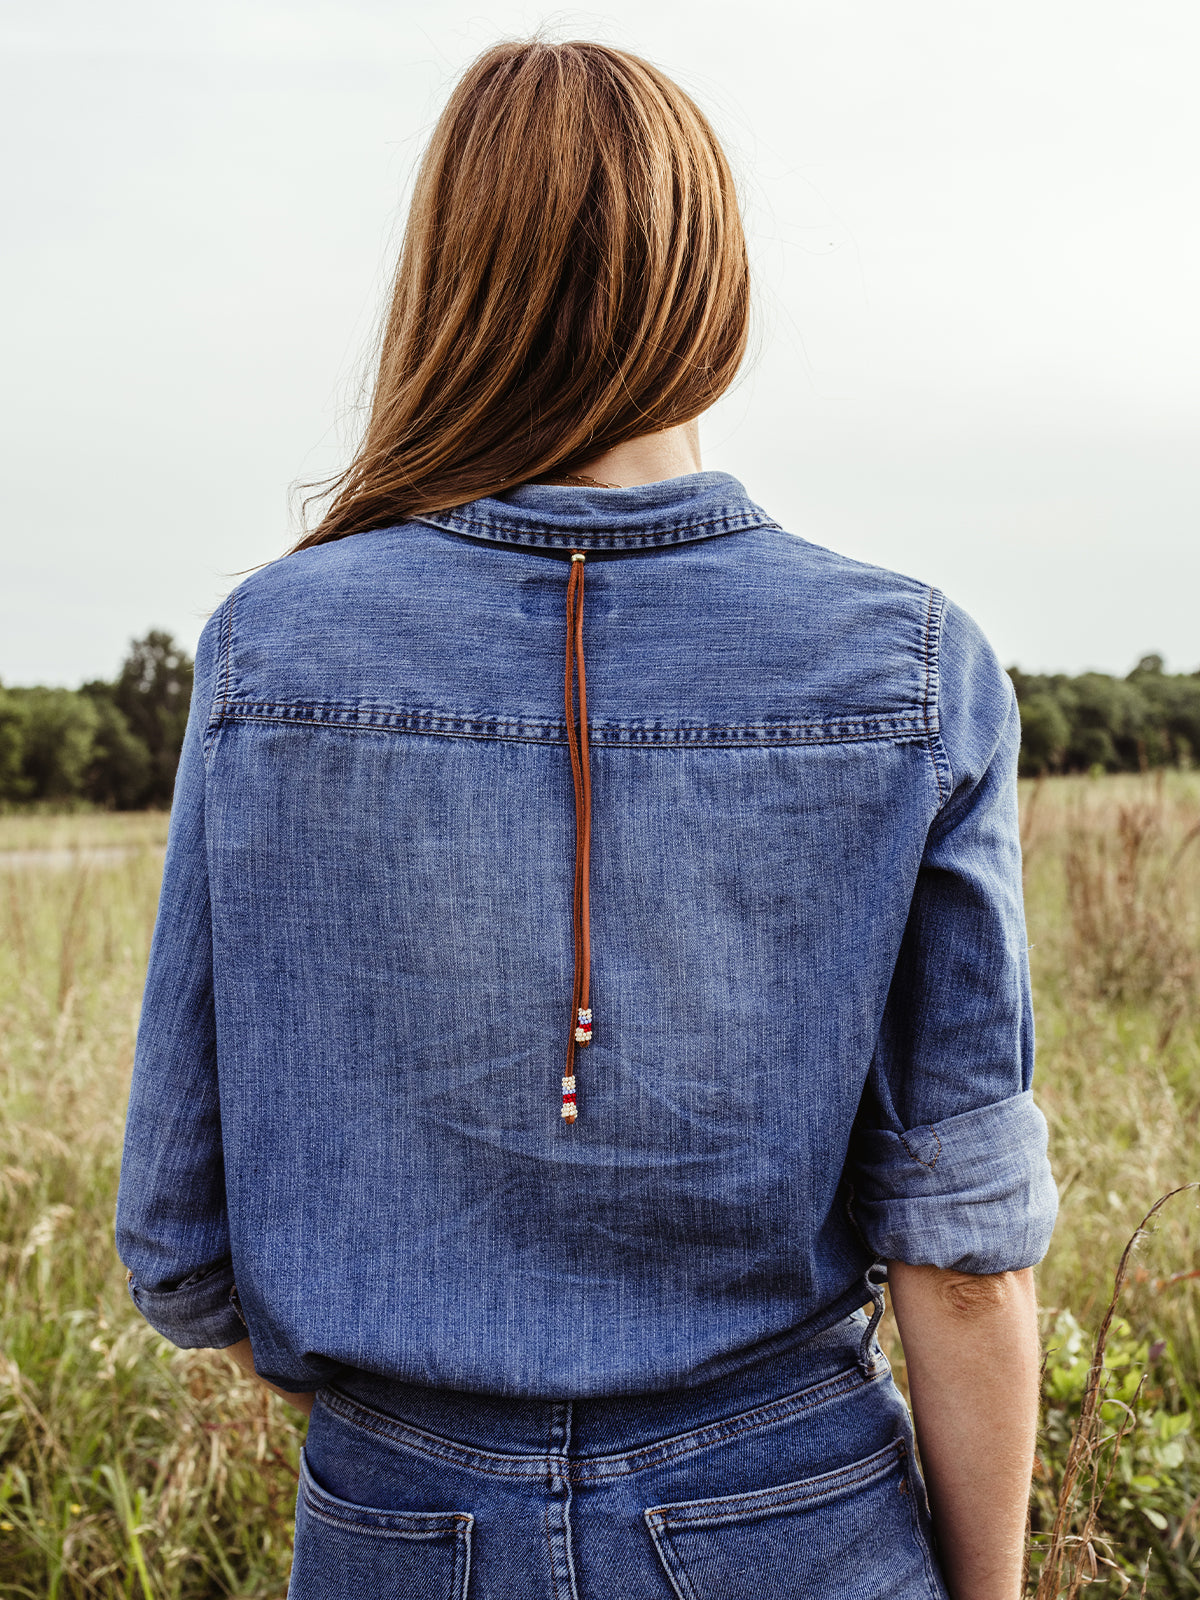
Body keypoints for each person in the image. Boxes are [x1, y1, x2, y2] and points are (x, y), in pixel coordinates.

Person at [115, 38, 1057, 1600]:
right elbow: (961, 1261)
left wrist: (430, 1392)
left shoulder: (271, 652)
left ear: (446, 282)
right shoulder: (908, 666)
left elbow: (180, 1240)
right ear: (710, 279)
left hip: (393, 1524)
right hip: (789, 1512)